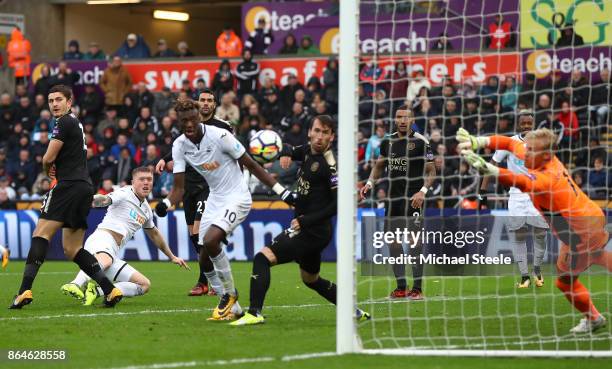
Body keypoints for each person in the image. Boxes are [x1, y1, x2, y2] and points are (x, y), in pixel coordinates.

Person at [154, 98, 297, 320]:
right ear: (179, 122)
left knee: (211, 241)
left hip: (237, 197)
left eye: (192, 119)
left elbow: (252, 165)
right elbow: (178, 188)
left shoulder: (220, 136)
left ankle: (230, 294)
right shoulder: (180, 145)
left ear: (199, 117)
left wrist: (283, 192)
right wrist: (165, 204)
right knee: (203, 256)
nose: (189, 125)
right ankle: (234, 308)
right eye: (184, 121)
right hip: (215, 199)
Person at [457, 128, 610, 333]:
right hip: (589, 218)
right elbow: (511, 144)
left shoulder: (548, 179)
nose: (525, 154)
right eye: (527, 149)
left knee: (565, 282)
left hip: (581, 233)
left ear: (546, 155)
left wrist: (491, 170)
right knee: (598, 257)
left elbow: (522, 182)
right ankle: (593, 318)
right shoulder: (538, 155)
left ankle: (593, 318)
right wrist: (478, 141)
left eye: (530, 151)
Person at [232, 115, 370, 326]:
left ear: (331, 137)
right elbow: (286, 146)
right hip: (312, 230)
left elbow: (337, 204)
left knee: (262, 258)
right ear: (310, 132)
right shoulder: (307, 150)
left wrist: (305, 222)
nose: (319, 137)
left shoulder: (330, 165)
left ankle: (254, 313)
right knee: (310, 280)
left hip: (312, 231)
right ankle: (354, 311)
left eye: (325, 133)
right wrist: (286, 153)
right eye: (317, 130)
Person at [10, 85, 123, 309]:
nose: (54, 104)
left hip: (68, 186)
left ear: (69, 102)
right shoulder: (75, 123)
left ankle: (24, 291)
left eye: (59, 99)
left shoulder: (63, 122)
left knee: (40, 234)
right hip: (84, 188)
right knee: (72, 249)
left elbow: (48, 156)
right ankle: (110, 290)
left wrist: (46, 170)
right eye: (51, 100)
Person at [60, 166, 189, 305]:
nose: (146, 182)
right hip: (101, 240)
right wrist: (90, 200)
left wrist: (172, 257)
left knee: (144, 285)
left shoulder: (146, 210)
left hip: (112, 252)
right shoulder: (124, 193)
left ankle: (96, 291)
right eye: (142, 179)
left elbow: (155, 235)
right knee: (106, 260)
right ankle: (75, 284)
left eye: (149, 179)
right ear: (133, 182)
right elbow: (104, 200)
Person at [155, 89, 234, 297]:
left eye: (210, 100)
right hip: (187, 185)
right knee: (193, 234)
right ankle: (209, 275)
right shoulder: (188, 126)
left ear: (215, 104)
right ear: (197, 104)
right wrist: (164, 157)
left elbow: (234, 154)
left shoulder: (222, 128)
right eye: (203, 100)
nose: (206, 103)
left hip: (209, 185)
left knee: (200, 232)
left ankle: (204, 280)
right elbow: (180, 146)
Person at [359, 106, 436, 299]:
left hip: (414, 199)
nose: (402, 120)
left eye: (406, 117)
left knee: (414, 242)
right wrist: (369, 183)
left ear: (412, 120)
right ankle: (401, 286)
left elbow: (432, 171)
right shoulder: (388, 141)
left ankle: (417, 288)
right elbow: (378, 167)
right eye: (399, 117)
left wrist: (423, 192)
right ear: (395, 119)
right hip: (393, 199)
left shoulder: (421, 142)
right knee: (392, 242)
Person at [480, 110, 549, 287]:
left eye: (529, 123)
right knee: (520, 234)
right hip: (517, 194)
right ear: (519, 124)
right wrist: (483, 191)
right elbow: (492, 165)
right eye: (523, 123)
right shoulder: (509, 143)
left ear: (533, 125)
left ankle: (537, 269)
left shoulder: (541, 143)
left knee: (541, 233)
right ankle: (525, 276)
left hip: (537, 194)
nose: (526, 126)